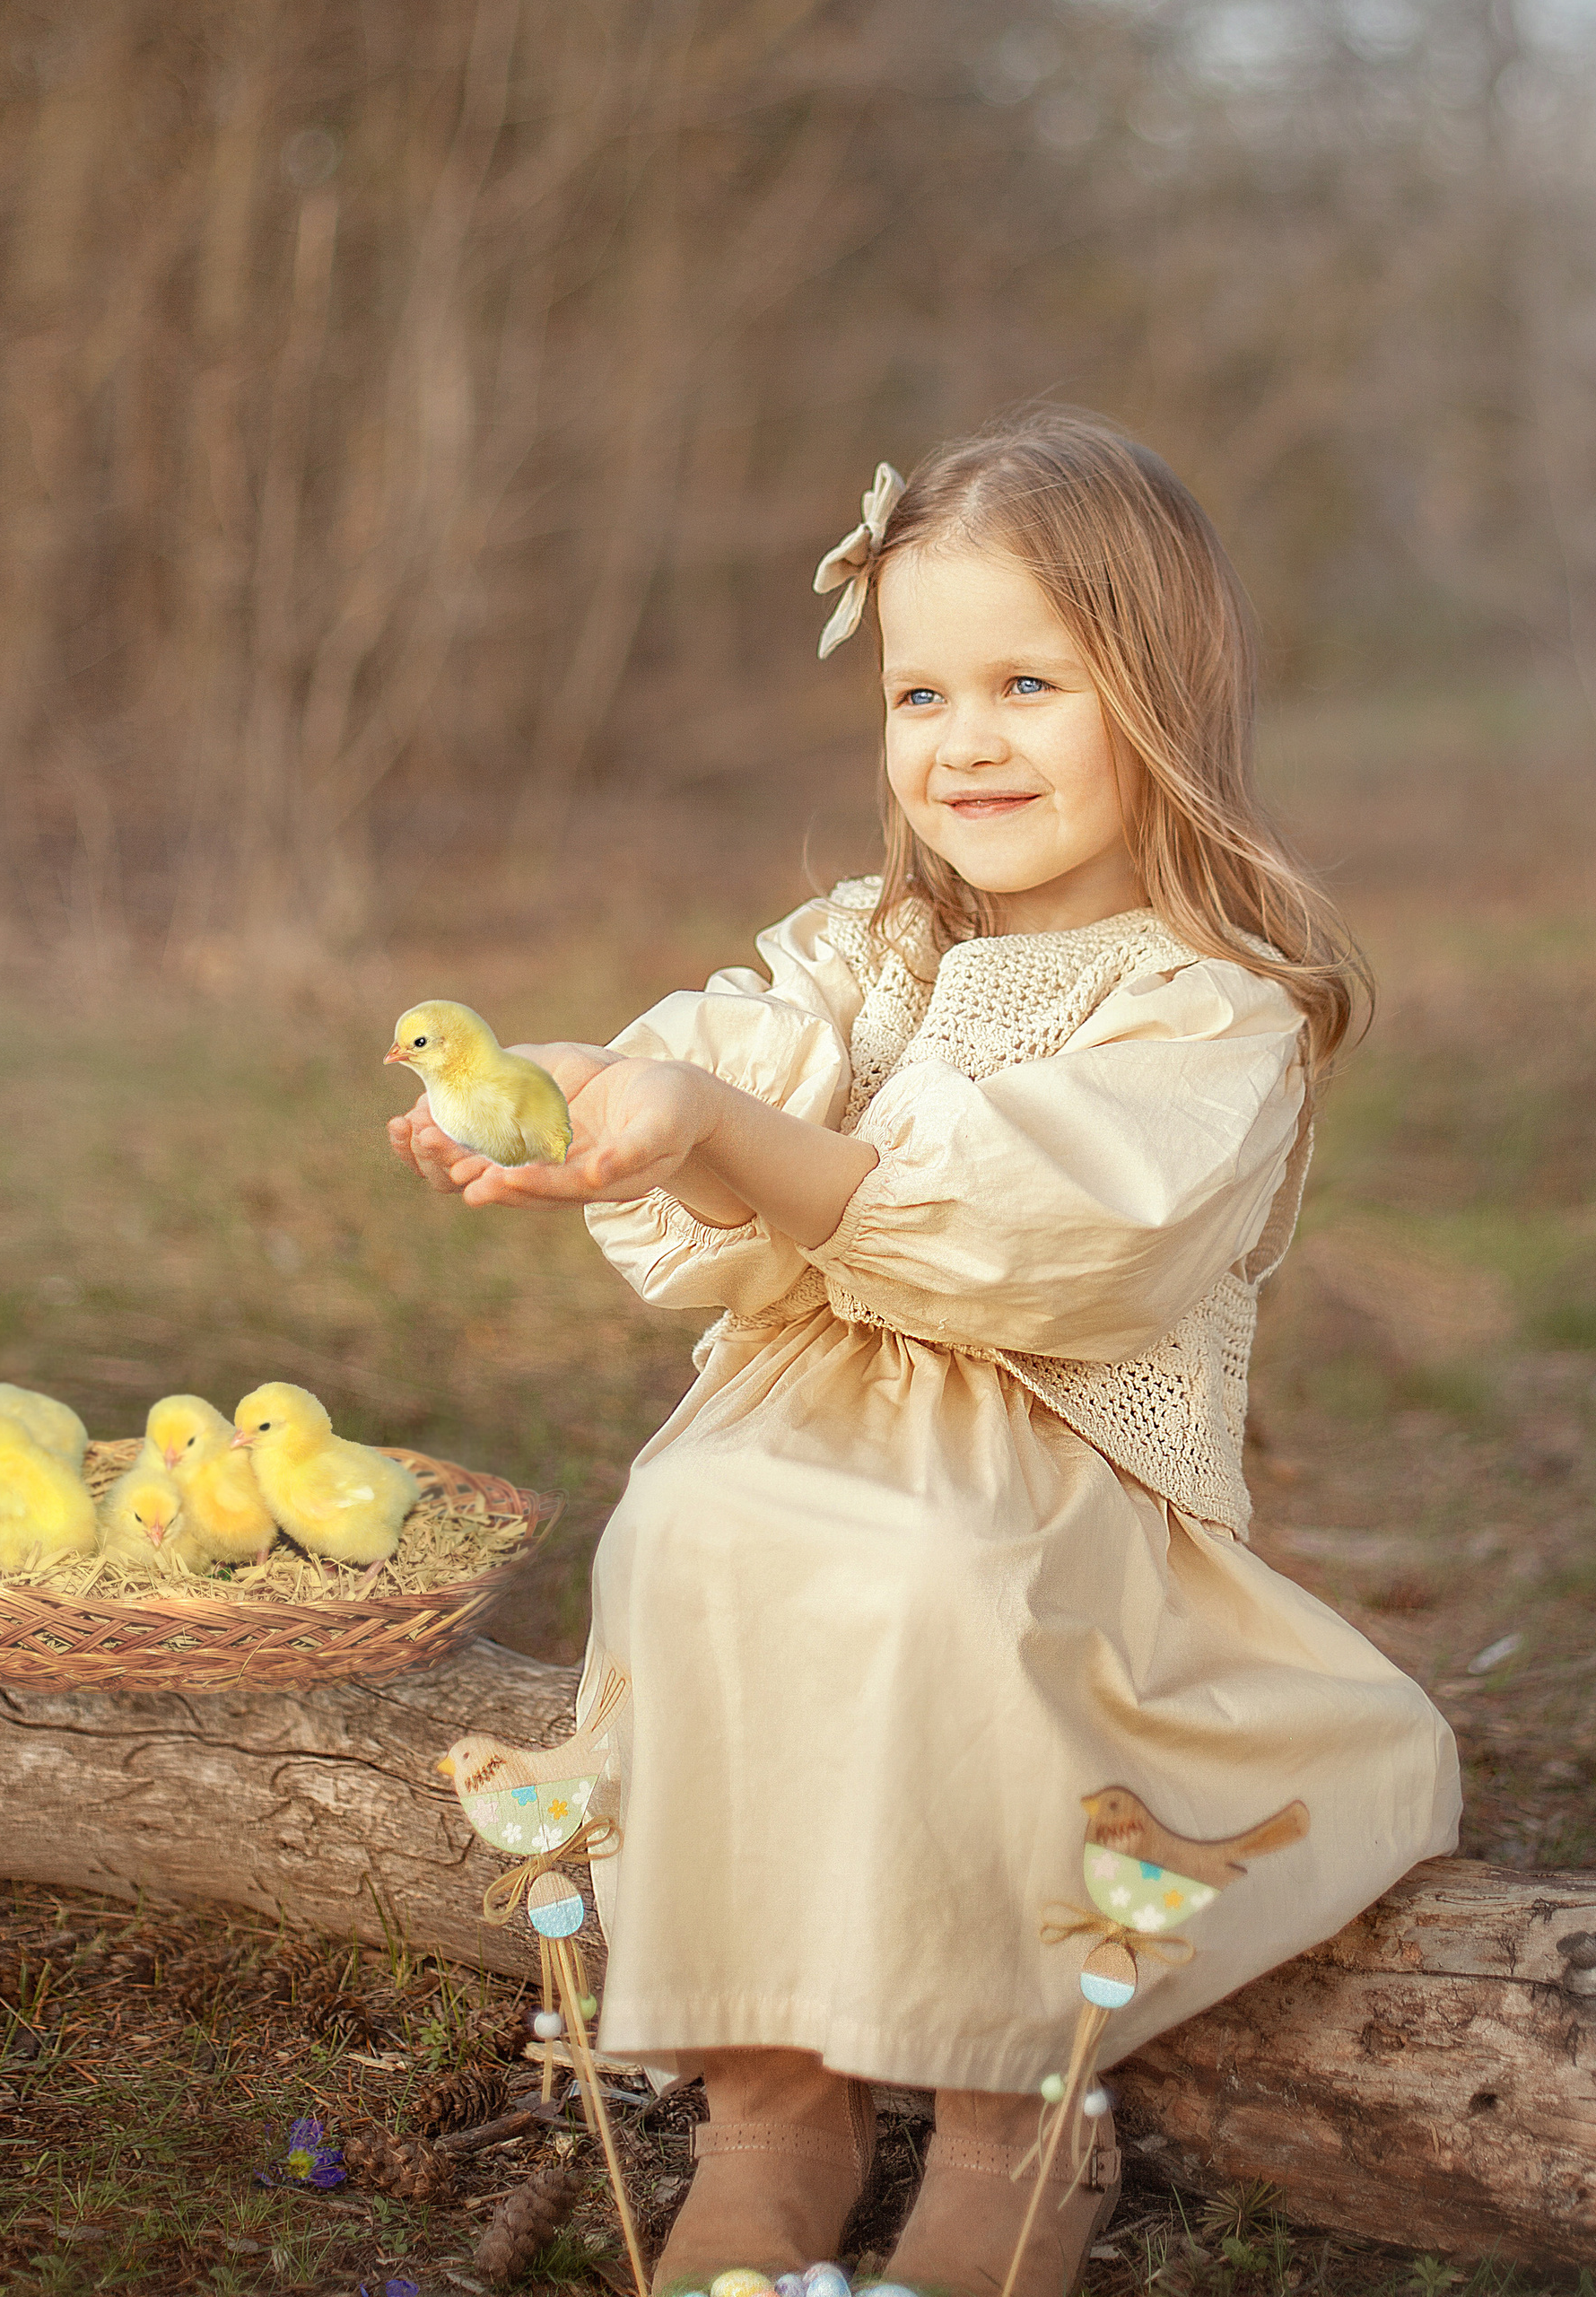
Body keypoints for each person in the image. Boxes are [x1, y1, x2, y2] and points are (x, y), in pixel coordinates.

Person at [388, 406, 1460, 2297]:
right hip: (788, 1431)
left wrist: (718, 1125)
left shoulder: (1207, 1007)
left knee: (939, 1588)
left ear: (1159, 693)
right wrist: (568, 1088)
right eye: (918, 693)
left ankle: (1002, 2110)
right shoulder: (861, 949)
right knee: (689, 1523)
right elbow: (706, 1040)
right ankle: (769, 2090)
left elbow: (1063, 1233)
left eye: (1026, 683)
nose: (962, 741)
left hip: (1065, 1492)